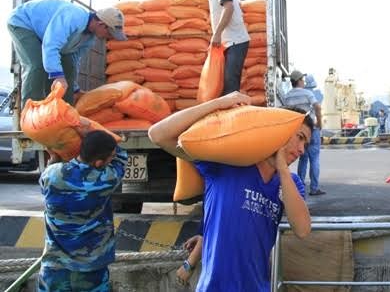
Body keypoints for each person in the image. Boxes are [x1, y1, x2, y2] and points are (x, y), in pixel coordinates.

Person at [148, 92, 312, 291]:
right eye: (300, 138)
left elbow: (302, 229)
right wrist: (219, 103)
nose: (302, 150)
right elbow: (158, 134)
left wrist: (283, 171)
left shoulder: (291, 183)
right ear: (283, 130)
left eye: (306, 144)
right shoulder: (226, 164)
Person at [38, 128, 127, 292]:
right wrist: (92, 128)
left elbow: (45, 187)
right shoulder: (106, 179)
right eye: (110, 158)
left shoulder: (52, 174)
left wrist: (56, 158)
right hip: (91, 271)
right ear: (99, 163)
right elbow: (121, 159)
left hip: (54, 267)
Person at [7, 0, 126, 107]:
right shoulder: (73, 17)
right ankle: (31, 114)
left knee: (69, 68)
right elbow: (51, 45)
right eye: (110, 33)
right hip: (24, 23)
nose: (109, 37)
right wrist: (58, 76)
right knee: (36, 65)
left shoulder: (89, 38)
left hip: (47, 34)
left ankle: (62, 113)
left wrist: (73, 87)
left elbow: (75, 60)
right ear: (102, 25)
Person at [189, 0, 250, 95]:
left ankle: (234, 114)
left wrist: (216, 35)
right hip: (227, 43)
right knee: (224, 85)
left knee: (230, 85)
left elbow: (229, 8)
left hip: (236, 41)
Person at [284, 70, 325, 196]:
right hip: (312, 129)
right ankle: (314, 188)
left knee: (303, 158)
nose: (304, 81)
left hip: (299, 131)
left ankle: (300, 185)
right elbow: (317, 106)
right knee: (314, 158)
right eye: (302, 79)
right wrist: (319, 123)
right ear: (299, 81)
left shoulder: (287, 96)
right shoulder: (307, 93)